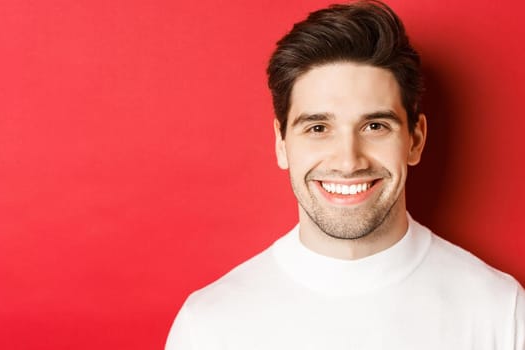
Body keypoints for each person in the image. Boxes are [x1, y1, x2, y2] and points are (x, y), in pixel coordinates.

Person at [165, 1, 525, 349]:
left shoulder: (502, 312)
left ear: (415, 140)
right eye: (318, 128)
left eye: (374, 125)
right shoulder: (209, 328)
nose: (349, 161)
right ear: (281, 143)